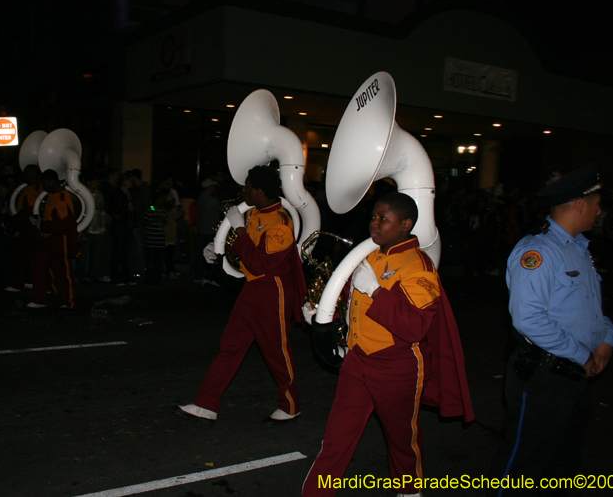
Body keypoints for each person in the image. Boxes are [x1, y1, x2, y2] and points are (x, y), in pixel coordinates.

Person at [302, 192, 474, 497]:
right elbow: (354, 300)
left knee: (401, 440)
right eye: (373, 216)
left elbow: (415, 326)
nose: (375, 223)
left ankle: (409, 490)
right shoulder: (371, 255)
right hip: (358, 360)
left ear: (405, 224)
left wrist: (377, 291)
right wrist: (323, 310)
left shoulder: (418, 266)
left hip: (397, 365)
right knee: (336, 438)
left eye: (384, 218)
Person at [487, 163, 613, 496]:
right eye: (596, 203)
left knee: (561, 465)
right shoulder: (539, 252)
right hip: (545, 376)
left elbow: (589, 308)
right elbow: (528, 318)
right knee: (522, 466)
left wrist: (607, 339)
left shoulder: (578, 249)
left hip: (574, 375)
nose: (599, 210)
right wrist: (581, 355)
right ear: (579, 205)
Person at [175, 165, 307, 425]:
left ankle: (291, 405)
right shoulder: (256, 213)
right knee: (230, 347)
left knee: (277, 352)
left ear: (259, 191)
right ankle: (206, 404)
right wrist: (218, 251)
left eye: (246, 187)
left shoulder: (281, 222)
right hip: (252, 289)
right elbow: (246, 256)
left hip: (273, 292)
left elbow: (259, 263)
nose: (242, 190)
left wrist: (241, 233)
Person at [27, 169, 81, 309]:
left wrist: (42, 225)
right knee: (39, 268)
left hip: (58, 240)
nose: (43, 186)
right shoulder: (55, 195)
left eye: (44, 183)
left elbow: (62, 223)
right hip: (49, 239)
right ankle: (42, 299)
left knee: (64, 272)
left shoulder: (61, 197)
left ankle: (70, 302)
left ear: (51, 181)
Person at [4, 164, 42, 292]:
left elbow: (28, 210)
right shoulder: (39, 188)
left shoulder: (32, 190)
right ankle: (31, 281)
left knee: (21, 257)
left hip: (29, 227)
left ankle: (18, 284)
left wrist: (10, 223)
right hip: (36, 227)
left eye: (26, 173)